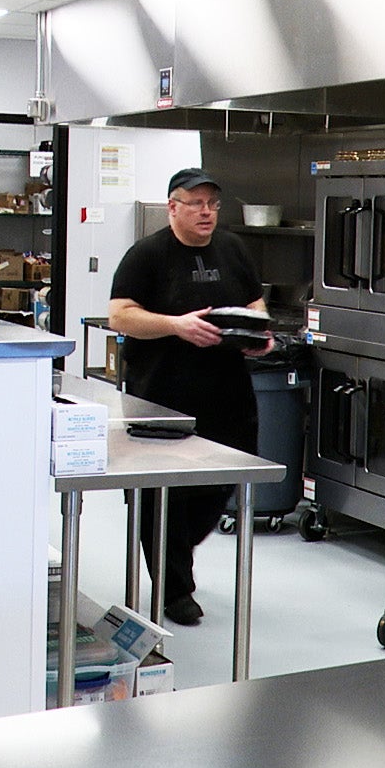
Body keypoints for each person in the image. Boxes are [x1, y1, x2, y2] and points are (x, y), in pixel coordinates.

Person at [108, 168, 272, 627]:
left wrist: (259, 333)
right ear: (173, 207)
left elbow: (254, 302)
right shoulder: (146, 255)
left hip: (227, 396)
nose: (206, 212)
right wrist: (175, 325)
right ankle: (174, 588)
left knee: (215, 490)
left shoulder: (233, 249)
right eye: (196, 203)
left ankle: (179, 555)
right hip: (162, 398)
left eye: (212, 204)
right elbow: (120, 315)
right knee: (164, 499)